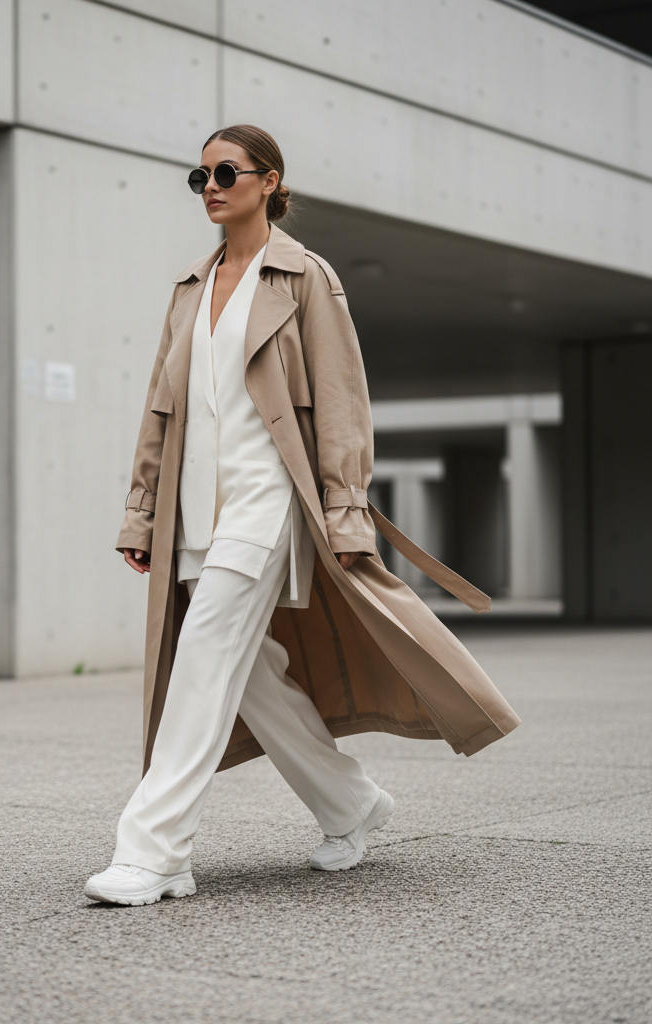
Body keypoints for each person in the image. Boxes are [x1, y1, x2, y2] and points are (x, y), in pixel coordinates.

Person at [84, 125, 520, 907]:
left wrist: (346, 513)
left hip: (267, 500)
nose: (210, 187)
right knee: (251, 673)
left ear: (269, 181)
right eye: (200, 176)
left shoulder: (305, 278)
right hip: (194, 508)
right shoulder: (189, 287)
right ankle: (351, 804)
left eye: (226, 172)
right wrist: (142, 513)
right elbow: (160, 409)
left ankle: (154, 852)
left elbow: (344, 403)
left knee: (202, 660)